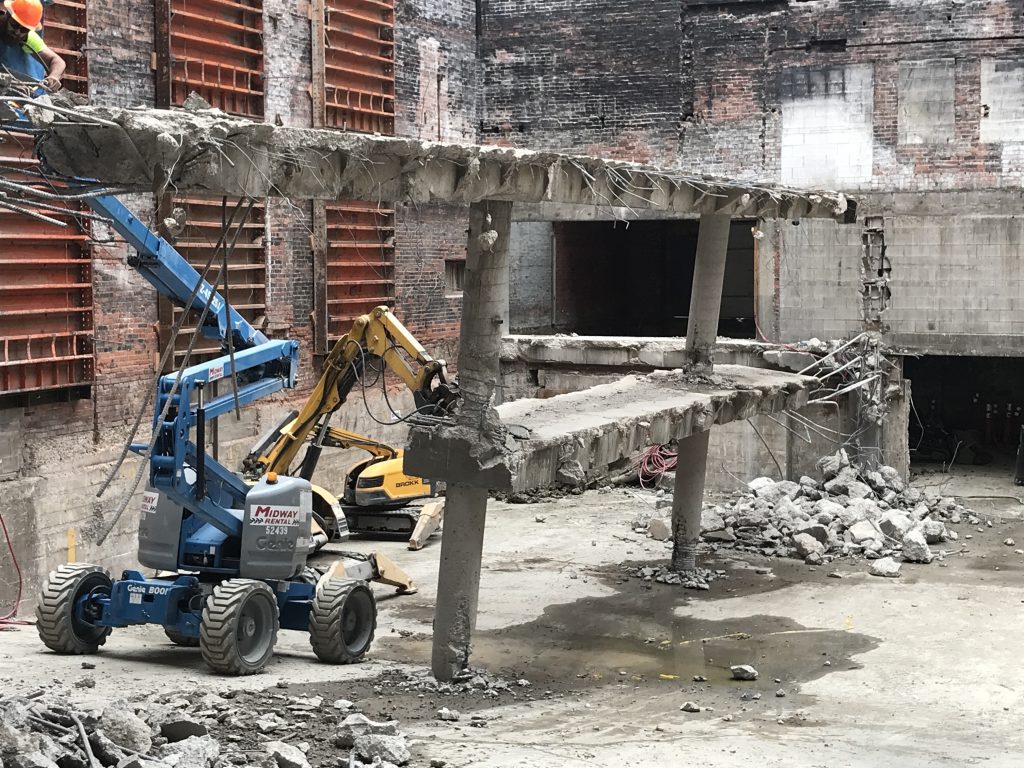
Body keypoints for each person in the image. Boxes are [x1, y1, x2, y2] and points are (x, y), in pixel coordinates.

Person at [0, 0, 64, 91]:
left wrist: (54, 77)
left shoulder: (27, 38)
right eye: (14, 25)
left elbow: (57, 61)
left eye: (24, 29)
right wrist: (9, 85)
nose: (17, 32)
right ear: (7, 15)